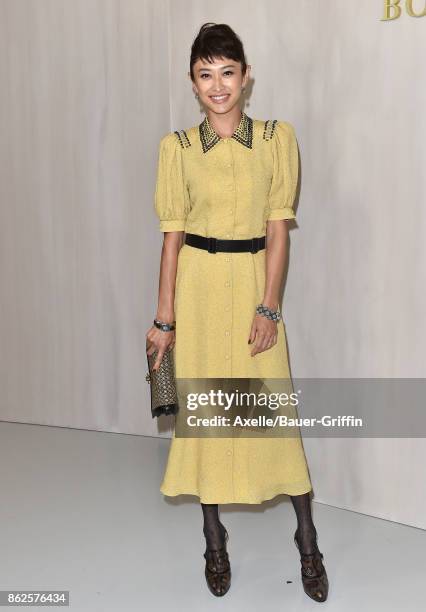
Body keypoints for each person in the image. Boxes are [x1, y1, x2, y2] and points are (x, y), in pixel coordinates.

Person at [146, 22, 329, 601]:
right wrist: (164, 320)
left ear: (246, 77)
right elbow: (171, 240)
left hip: (253, 284)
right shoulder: (176, 148)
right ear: (193, 84)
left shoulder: (277, 138)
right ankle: (213, 538)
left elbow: (279, 231)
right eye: (206, 75)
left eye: (228, 71)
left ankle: (308, 542)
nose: (218, 85)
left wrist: (269, 308)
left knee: (272, 410)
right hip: (198, 290)